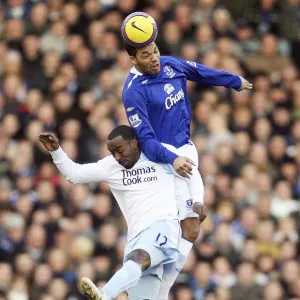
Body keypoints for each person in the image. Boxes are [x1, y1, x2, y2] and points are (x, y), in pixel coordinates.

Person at [121, 12, 253, 299]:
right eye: (146, 55)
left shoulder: (170, 65)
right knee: (169, 233)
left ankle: (159, 291)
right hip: (161, 162)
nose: (154, 58)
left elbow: (201, 71)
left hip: (186, 152)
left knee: (193, 228)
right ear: (133, 59)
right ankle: (134, 285)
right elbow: (145, 140)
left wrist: (233, 81)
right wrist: (172, 160)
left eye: (155, 51)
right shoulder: (132, 92)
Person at [38, 126, 206, 300]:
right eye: (112, 153)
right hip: (135, 237)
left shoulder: (160, 152)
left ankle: (105, 294)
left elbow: (191, 173)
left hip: (163, 228)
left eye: (119, 150)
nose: (117, 157)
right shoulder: (110, 166)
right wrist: (56, 151)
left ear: (134, 143)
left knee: (138, 257)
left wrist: (198, 200)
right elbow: (75, 174)